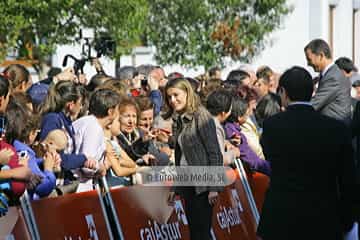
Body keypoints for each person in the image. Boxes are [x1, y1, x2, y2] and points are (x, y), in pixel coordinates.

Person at [257, 66, 357, 239]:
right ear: (312, 92)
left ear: (283, 92)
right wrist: (346, 220)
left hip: (281, 219)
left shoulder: (272, 126)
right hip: (324, 220)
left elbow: (268, 154)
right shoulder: (336, 129)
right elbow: (348, 179)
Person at [165, 78, 223, 240]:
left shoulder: (201, 115)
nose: (172, 100)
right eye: (169, 97)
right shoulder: (178, 120)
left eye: (176, 95)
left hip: (203, 185)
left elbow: (214, 152)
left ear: (187, 93)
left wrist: (213, 187)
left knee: (202, 233)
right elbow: (181, 159)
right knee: (196, 233)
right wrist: (176, 188)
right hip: (189, 182)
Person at [304, 39, 351, 123]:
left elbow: (314, 104)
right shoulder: (328, 75)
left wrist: (293, 109)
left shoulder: (333, 77)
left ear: (321, 56)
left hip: (335, 131)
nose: (308, 64)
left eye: (309, 59)